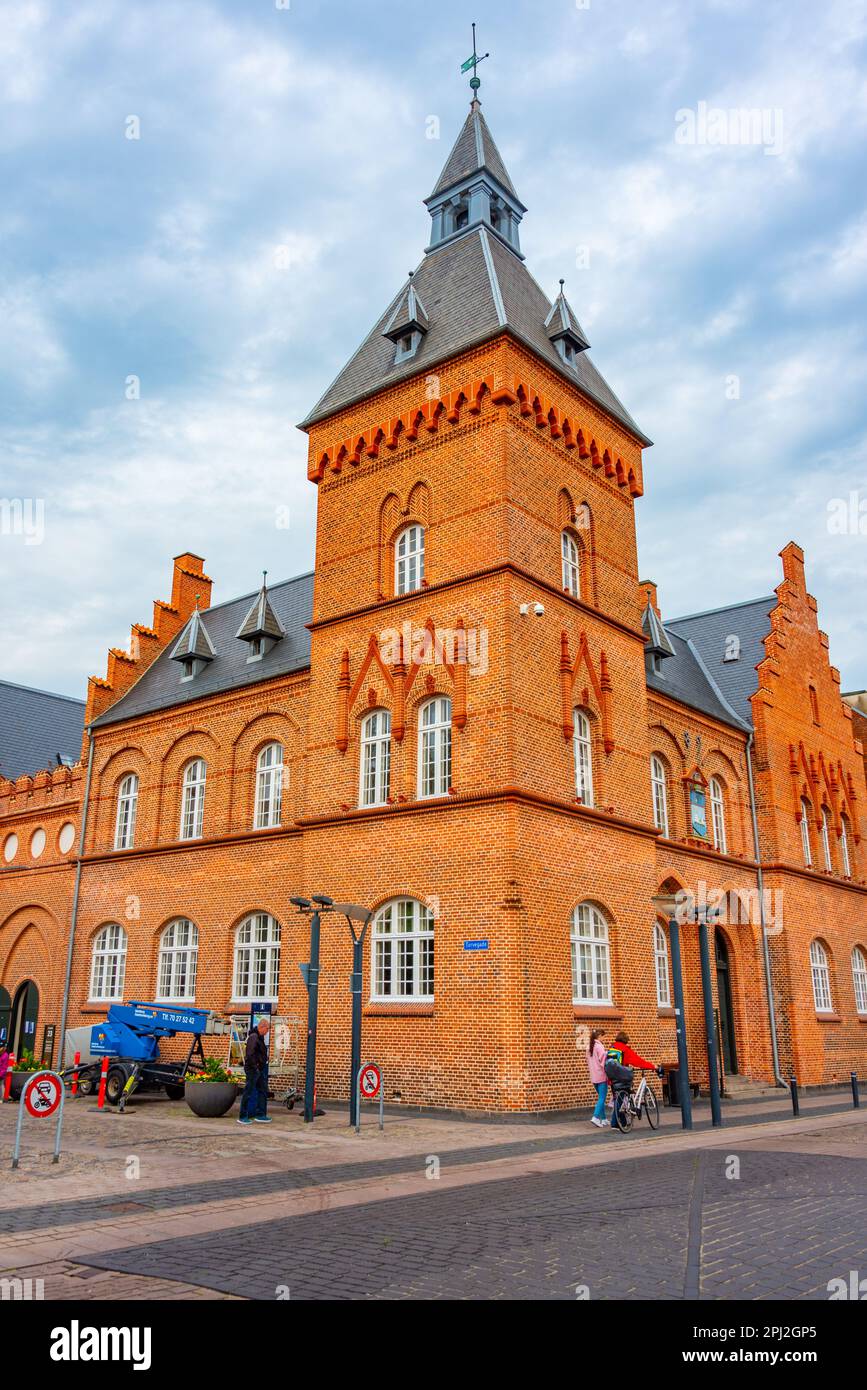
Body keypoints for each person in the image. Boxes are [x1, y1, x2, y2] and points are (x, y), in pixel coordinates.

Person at [604, 1032, 657, 1130]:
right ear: (626, 1040)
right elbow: (638, 1061)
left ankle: (619, 1123)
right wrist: (652, 1066)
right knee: (621, 1101)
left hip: (612, 1079)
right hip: (622, 1078)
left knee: (618, 1099)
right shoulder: (625, 1050)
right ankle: (616, 1123)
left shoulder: (612, 1048)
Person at [238, 1019, 272, 1125]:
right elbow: (250, 1054)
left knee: (262, 1090)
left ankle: (260, 1114)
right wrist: (255, 1067)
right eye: (267, 1030)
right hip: (253, 1069)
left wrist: (264, 1059)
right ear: (262, 1027)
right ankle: (242, 1116)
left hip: (259, 1069)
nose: (267, 1032)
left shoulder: (259, 1037)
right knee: (248, 1091)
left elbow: (258, 1052)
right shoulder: (254, 1037)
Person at [586, 1029, 609, 1129]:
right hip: (601, 1076)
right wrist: (607, 1054)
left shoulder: (589, 1047)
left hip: (594, 1077)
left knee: (601, 1098)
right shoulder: (599, 1046)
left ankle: (603, 1119)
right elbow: (603, 1061)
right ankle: (595, 1117)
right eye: (604, 1036)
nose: (604, 1038)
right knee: (602, 1098)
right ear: (599, 1036)